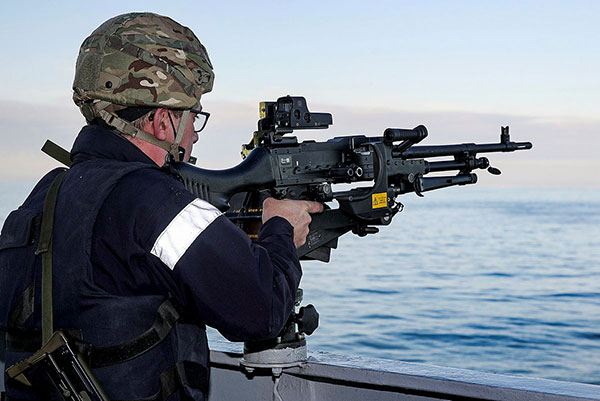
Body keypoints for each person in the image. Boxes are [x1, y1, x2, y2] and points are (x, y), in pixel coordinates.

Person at [0, 12, 322, 400]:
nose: (194, 137)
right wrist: (281, 229)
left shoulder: (45, 194)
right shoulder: (153, 200)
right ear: (163, 121)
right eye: (193, 117)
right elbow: (261, 310)